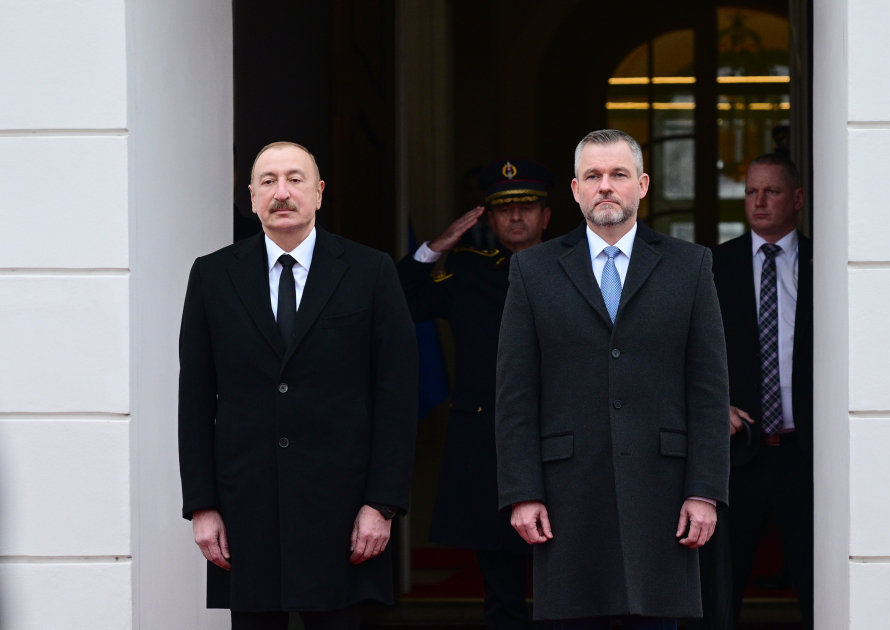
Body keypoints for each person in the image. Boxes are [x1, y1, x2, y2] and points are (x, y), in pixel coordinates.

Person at [495, 129, 730, 630]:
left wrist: (705, 490)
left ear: (642, 185)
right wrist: (523, 491)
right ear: (576, 190)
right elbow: (515, 394)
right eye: (593, 176)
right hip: (566, 495)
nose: (606, 186)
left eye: (618, 174)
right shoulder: (531, 271)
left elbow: (709, 391)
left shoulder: (691, 266)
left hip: (665, 495)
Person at [178, 141, 419, 630]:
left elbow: (397, 395)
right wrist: (202, 506)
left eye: (295, 179)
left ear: (320, 192)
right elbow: (196, 399)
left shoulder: (370, 271)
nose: (282, 192)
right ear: (250, 196)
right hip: (247, 510)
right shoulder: (212, 275)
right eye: (268, 181)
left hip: (345, 512)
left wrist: (382, 504)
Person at [397, 159, 554, 630]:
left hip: (562, 443)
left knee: (565, 589)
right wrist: (433, 248)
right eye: (504, 210)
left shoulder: (581, 269)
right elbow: (397, 305)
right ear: (488, 218)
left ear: (547, 215)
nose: (516, 218)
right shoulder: (468, 272)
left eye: (527, 207)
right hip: (488, 446)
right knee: (502, 595)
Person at [712, 153, 813, 629]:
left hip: (807, 453)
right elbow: (684, 354)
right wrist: (711, 405)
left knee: (820, 586)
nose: (759, 201)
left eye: (771, 192)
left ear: (797, 199)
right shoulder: (712, 265)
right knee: (719, 591)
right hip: (736, 453)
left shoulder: (830, 263)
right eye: (751, 191)